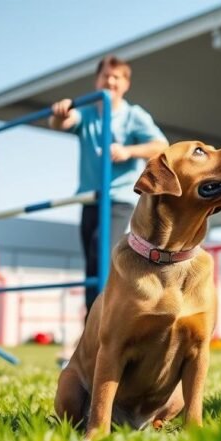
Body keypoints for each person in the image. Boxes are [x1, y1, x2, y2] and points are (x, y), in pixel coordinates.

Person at [49, 55, 168, 317]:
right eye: (106, 76)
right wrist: (61, 113)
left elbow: (162, 146)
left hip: (118, 199)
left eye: (117, 77)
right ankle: (92, 333)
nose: (110, 81)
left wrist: (128, 151)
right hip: (90, 199)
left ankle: (110, 325)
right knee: (92, 266)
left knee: (103, 256)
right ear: (97, 80)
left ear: (125, 84)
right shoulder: (88, 112)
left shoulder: (133, 116)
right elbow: (62, 123)